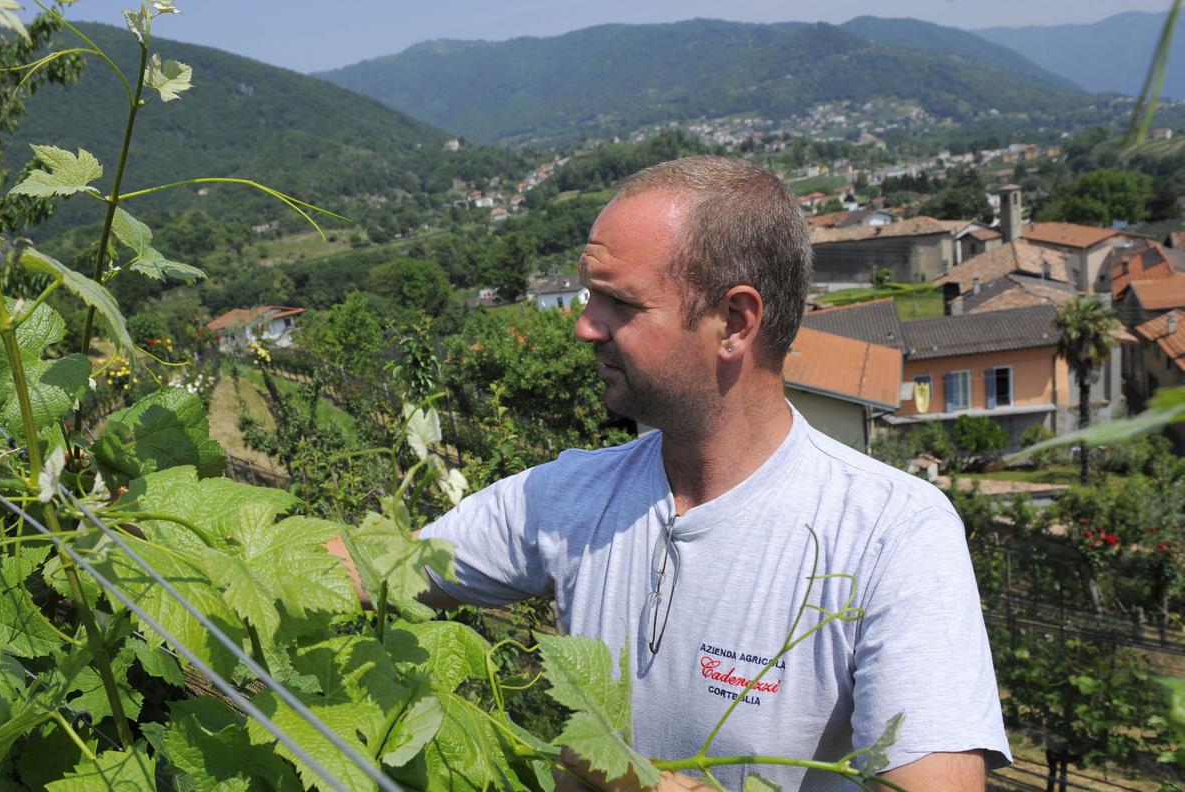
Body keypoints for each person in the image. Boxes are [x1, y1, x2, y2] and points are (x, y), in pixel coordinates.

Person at [398, 156, 1008, 790]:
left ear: (735, 323)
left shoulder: (893, 533)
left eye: (620, 303)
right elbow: (377, 567)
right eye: (589, 297)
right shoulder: (574, 497)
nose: (584, 326)